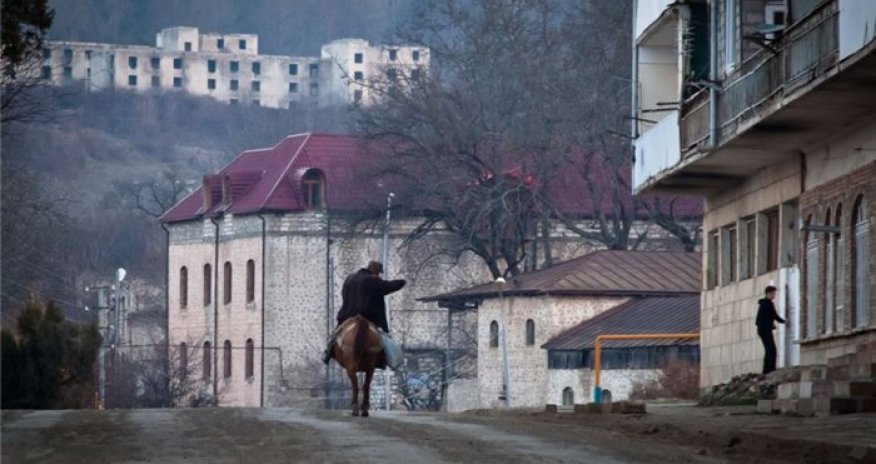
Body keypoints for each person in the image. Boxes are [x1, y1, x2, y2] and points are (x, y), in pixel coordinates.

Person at [322, 261, 406, 364]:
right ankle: (388, 360)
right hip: (369, 316)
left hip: (347, 316)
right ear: (374, 270)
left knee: (335, 335)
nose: (378, 275)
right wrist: (402, 282)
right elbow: (387, 286)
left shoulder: (350, 278)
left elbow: (343, 293)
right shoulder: (372, 280)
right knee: (385, 338)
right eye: (379, 272)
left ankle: (327, 354)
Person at [756, 285, 785, 374]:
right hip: (765, 330)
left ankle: (767, 370)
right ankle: (770, 369)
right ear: (768, 293)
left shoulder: (763, 304)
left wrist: (771, 325)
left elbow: (759, 319)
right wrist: (784, 321)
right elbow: (774, 315)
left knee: (769, 349)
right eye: (773, 293)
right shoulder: (768, 303)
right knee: (771, 350)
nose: (774, 295)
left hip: (762, 329)